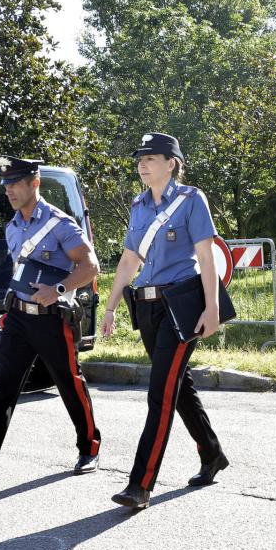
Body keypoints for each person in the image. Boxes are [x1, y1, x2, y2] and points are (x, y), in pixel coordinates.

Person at [0, 156, 102, 488]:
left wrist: (57, 290)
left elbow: (90, 267)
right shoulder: (12, 227)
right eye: (6, 185)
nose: (9, 190)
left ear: (35, 183)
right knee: (3, 388)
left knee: (69, 383)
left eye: (15, 183)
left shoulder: (60, 224)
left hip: (51, 319)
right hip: (18, 317)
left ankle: (89, 449)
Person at [101, 132, 229, 509]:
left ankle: (139, 485)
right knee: (178, 387)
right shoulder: (139, 206)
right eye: (140, 159)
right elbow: (128, 261)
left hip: (181, 307)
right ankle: (212, 452)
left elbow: (206, 258)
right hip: (148, 308)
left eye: (151, 158)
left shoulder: (192, 200)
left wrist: (212, 309)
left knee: (159, 395)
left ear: (171, 163)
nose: (142, 164)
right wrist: (109, 308)